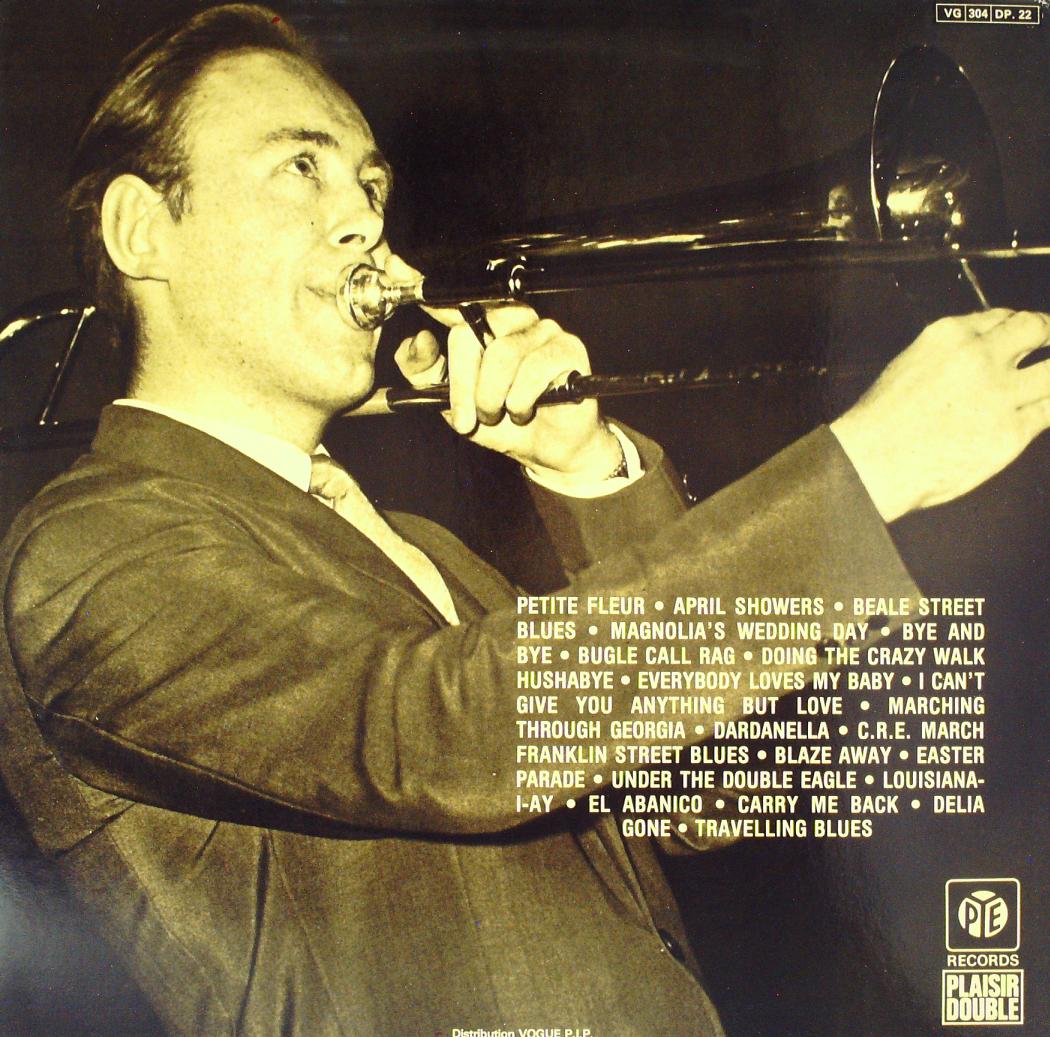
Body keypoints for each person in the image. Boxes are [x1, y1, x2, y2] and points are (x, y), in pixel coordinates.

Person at [1, 5, 1047, 1035]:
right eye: (301, 167)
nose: (364, 218)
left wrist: (591, 473)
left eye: (371, 183)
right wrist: (861, 475)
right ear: (142, 229)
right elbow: (441, 733)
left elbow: (705, 797)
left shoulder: (430, 554)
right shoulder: (88, 545)